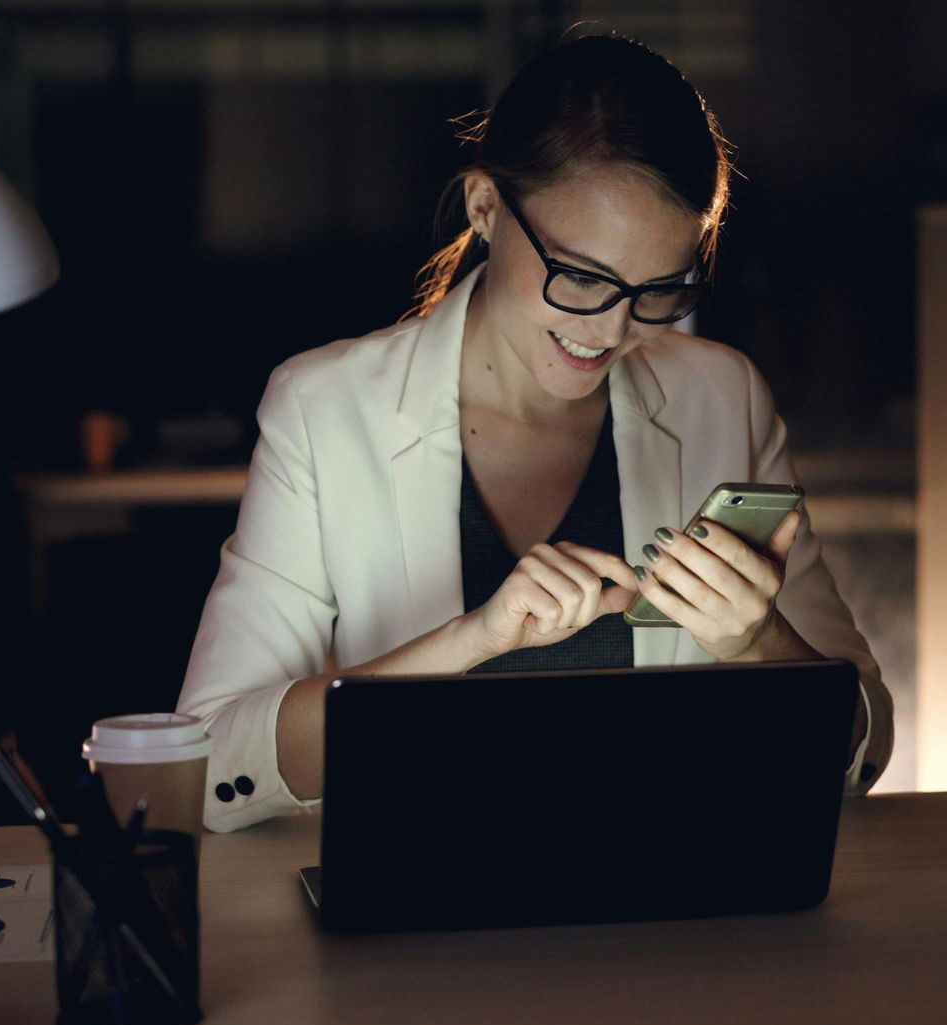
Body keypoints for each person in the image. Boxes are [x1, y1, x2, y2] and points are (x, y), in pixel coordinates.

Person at [179, 33, 894, 831]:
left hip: (669, 916)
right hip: (413, 913)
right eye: (581, 276)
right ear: (485, 207)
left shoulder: (722, 398)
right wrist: (470, 642)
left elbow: (863, 752)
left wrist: (760, 642)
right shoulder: (326, 409)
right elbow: (209, 766)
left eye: (657, 289)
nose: (613, 328)